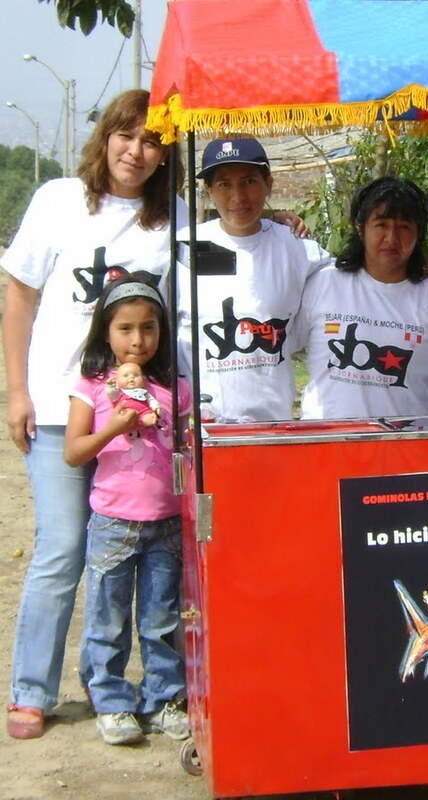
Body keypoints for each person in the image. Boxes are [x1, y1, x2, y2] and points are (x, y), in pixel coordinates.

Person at [1, 89, 187, 740]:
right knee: (62, 547)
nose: (136, 152)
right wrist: (17, 392)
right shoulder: (59, 200)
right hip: (62, 410)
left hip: (138, 422)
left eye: (153, 141)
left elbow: (224, 251)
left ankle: (155, 688)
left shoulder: (173, 218)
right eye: (126, 136)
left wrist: (284, 224)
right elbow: (19, 299)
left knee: (150, 557)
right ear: (105, 137)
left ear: (166, 154)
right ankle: (32, 689)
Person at [63, 275, 190, 745]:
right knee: (108, 618)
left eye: (149, 328)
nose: (138, 340)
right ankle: (112, 700)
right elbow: (73, 452)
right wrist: (113, 429)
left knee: (162, 620)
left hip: (167, 524)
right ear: (105, 332)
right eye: (125, 329)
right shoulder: (93, 386)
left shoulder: (175, 387)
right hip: (113, 524)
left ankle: (162, 698)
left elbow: (187, 447)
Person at [292, 177, 428, 419]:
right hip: (328, 440)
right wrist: (274, 228)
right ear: (360, 228)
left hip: (409, 441)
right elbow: (278, 338)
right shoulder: (324, 282)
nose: (392, 238)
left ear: (419, 233)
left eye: (404, 227)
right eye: (381, 224)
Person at [177, 137, 330, 422]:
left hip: (273, 425)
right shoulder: (184, 248)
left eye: (249, 181)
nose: (238, 197)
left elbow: (351, 284)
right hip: (202, 428)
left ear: (268, 184)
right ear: (208, 190)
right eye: (224, 184)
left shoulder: (298, 248)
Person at [106, 362, 162, 428]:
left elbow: (151, 400)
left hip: (143, 412)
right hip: (125, 413)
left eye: (136, 375)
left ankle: (147, 420)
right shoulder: (119, 392)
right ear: (117, 381)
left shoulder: (143, 392)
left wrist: (156, 407)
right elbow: (112, 396)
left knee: (148, 416)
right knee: (123, 418)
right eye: (126, 376)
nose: (131, 377)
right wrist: (111, 386)